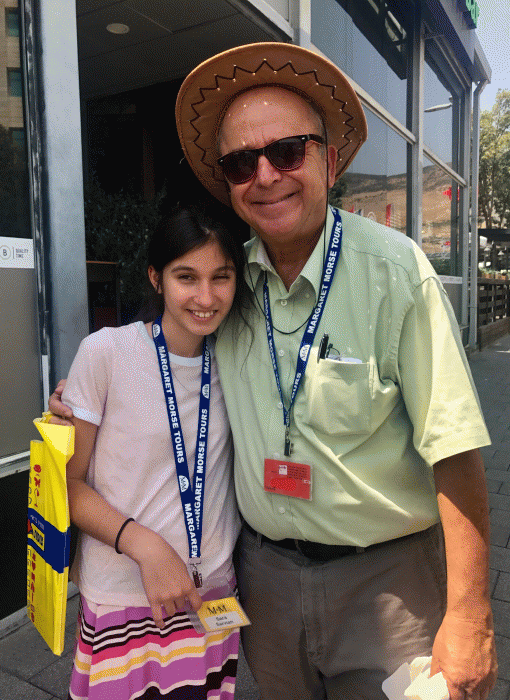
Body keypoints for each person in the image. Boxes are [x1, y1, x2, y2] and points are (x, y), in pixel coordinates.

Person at [52, 43, 497, 700]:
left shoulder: (395, 273)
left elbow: (454, 451)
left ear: (329, 161)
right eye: (241, 162)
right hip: (263, 578)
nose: (265, 175)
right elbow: (164, 360)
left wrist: (470, 614)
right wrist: (85, 396)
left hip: (385, 584)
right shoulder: (229, 284)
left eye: (287, 151)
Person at [62, 204, 247, 700]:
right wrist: (144, 545)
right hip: (124, 597)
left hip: (210, 597)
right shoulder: (106, 353)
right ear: (155, 278)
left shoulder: (236, 360)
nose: (205, 297)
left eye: (221, 277)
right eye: (186, 277)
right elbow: (68, 484)